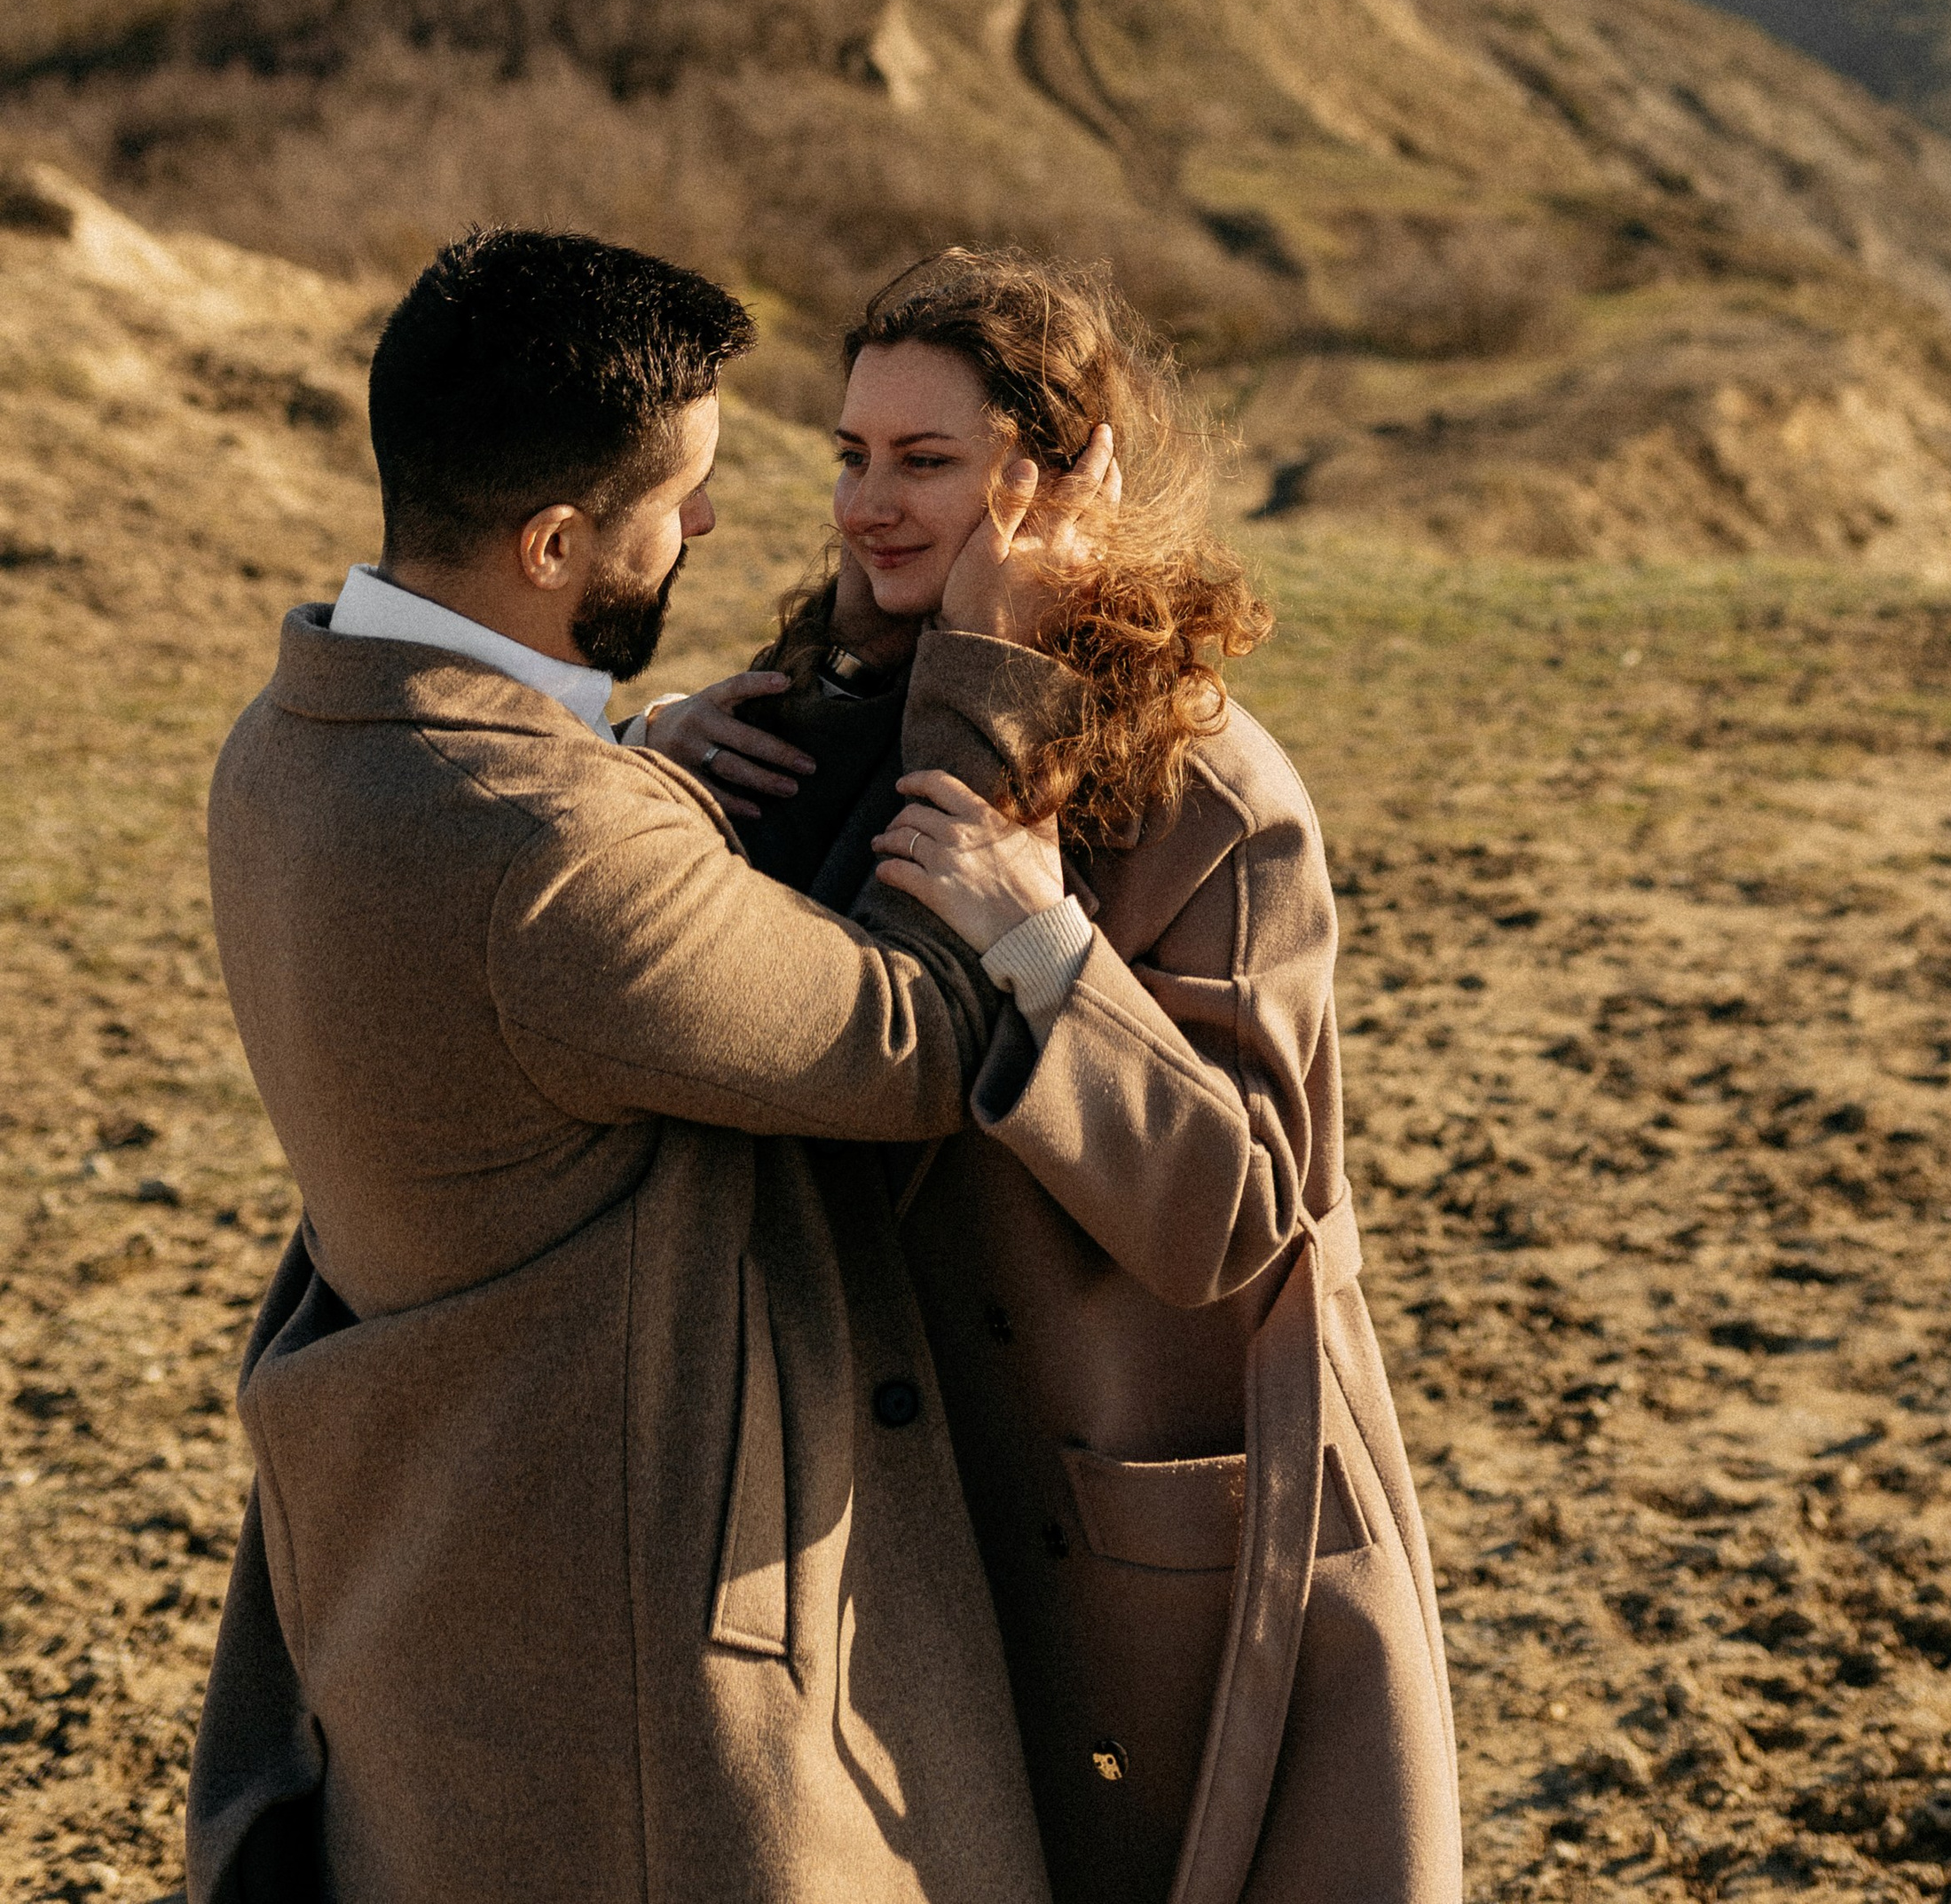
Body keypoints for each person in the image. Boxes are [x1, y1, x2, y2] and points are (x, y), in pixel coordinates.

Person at [189, 228, 1068, 1904]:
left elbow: (508, 885)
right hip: (632, 1640)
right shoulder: (549, 850)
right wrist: (1004, 676)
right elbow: (916, 1039)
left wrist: (626, 758)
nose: (721, 526)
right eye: (684, 497)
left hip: (433, 1584)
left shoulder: (288, 735)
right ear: (555, 541)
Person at [646, 248, 1465, 1904]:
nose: (870, 506)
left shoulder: (1210, 790)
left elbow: (1237, 1210)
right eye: (853, 457)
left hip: (1174, 1541)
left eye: (928, 462)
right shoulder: (799, 721)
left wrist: (1050, 958)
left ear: (1067, 477)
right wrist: (644, 788)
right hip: (907, 1523)